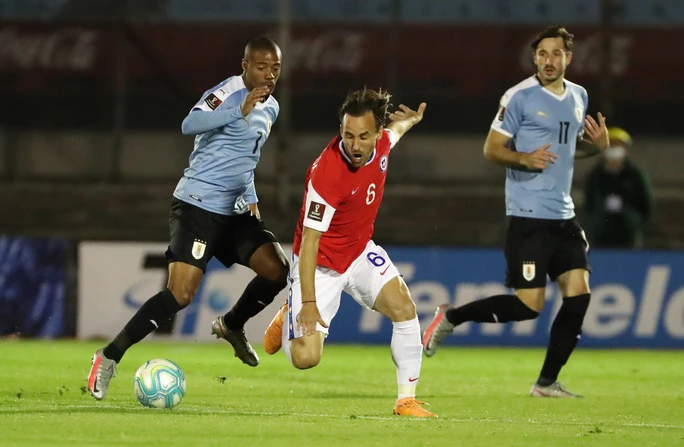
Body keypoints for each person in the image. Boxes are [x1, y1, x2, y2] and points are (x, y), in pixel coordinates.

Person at [87, 36, 289, 400]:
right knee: (180, 295)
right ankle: (107, 357)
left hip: (235, 209)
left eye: (275, 68)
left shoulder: (271, 106)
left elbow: (246, 156)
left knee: (277, 269)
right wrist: (238, 110)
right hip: (197, 205)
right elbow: (189, 125)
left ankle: (231, 325)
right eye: (262, 67)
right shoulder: (227, 93)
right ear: (244, 66)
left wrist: (252, 196)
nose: (269, 75)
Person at [422, 26, 609, 398]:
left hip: (564, 217)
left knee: (579, 295)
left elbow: (568, 149)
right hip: (528, 217)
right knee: (529, 307)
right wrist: (523, 158)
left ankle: (546, 383)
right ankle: (452, 317)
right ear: (534, 58)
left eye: (556, 54)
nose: (549, 61)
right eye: (542, 54)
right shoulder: (519, 97)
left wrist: (597, 147)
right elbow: (492, 149)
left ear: (568, 58)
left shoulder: (579, 96)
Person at [262, 88, 435, 417]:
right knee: (306, 359)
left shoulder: (382, 142)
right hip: (320, 264)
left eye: (363, 136)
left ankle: (405, 400)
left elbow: (393, 133)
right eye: (348, 135)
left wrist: (409, 121)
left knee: (404, 308)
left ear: (376, 132)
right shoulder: (328, 175)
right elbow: (310, 242)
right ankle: (290, 315)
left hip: (357, 252)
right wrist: (308, 304)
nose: (355, 145)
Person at [584, 127, 652, 248]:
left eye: (618, 145)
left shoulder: (635, 175)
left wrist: (632, 219)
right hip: (601, 235)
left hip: (628, 236)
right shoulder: (595, 176)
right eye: (611, 144)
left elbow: (646, 204)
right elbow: (589, 203)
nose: (614, 149)